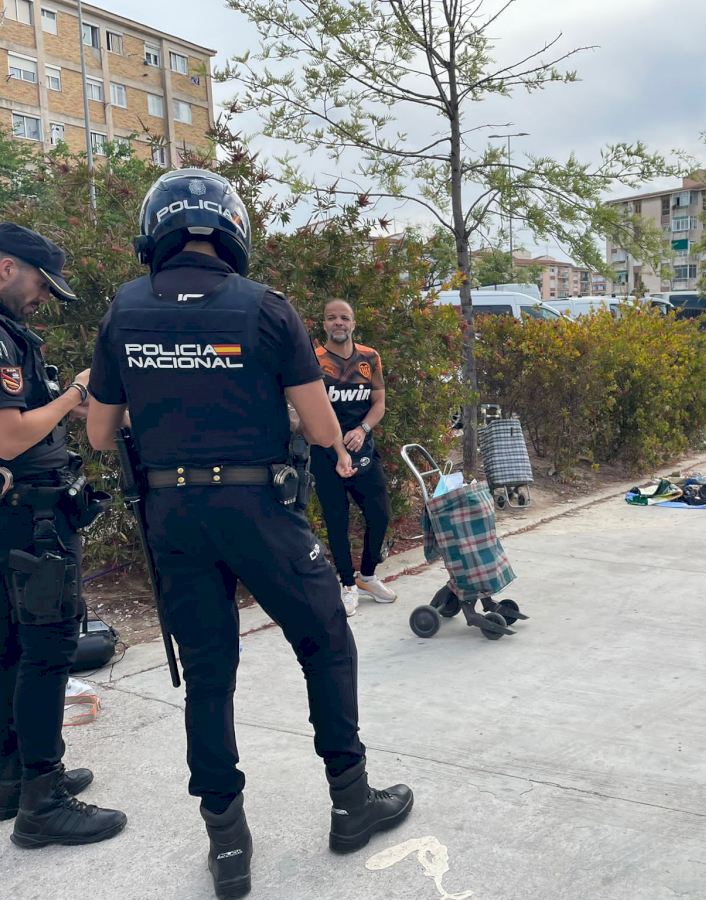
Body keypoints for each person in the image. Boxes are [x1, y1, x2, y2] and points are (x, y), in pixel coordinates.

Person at [86, 170, 413, 898]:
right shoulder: (266, 307)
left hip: (173, 515)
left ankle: (227, 844)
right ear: (231, 231)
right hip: (257, 508)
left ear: (157, 232)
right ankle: (351, 803)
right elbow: (323, 428)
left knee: (208, 675)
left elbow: (103, 434)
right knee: (325, 640)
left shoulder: (124, 310)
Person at [0, 224, 126, 847]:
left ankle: (14, 779)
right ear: (7, 268)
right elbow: (6, 437)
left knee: (8, 645)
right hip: (28, 514)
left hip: (10, 508)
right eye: (41, 284)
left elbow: (25, 414)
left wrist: (71, 402)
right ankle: (43, 803)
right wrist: (77, 388)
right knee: (46, 650)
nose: (44, 298)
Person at [312, 299, 396, 615]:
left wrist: (362, 429)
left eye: (344, 318)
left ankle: (367, 577)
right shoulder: (314, 360)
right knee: (337, 521)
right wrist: (338, 449)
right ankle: (347, 584)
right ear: (324, 324)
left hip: (364, 451)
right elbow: (314, 410)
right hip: (325, 454)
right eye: (332, 317)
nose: (338, 322)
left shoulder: (370, 357)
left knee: (380, 514)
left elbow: (379, 403)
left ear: (353, 323)